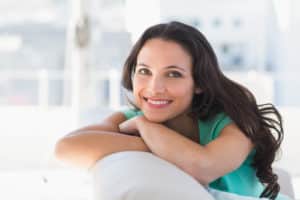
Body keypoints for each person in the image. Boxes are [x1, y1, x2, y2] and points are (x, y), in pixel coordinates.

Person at [55, 21, 291, 200]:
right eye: (145, 71)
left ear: (199, 82)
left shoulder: (232, 123)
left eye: (173, 74)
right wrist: (157, 145)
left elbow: (204, 166)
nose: (154, 88)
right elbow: (65, 148)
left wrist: (145, 128)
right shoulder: (129, 118)